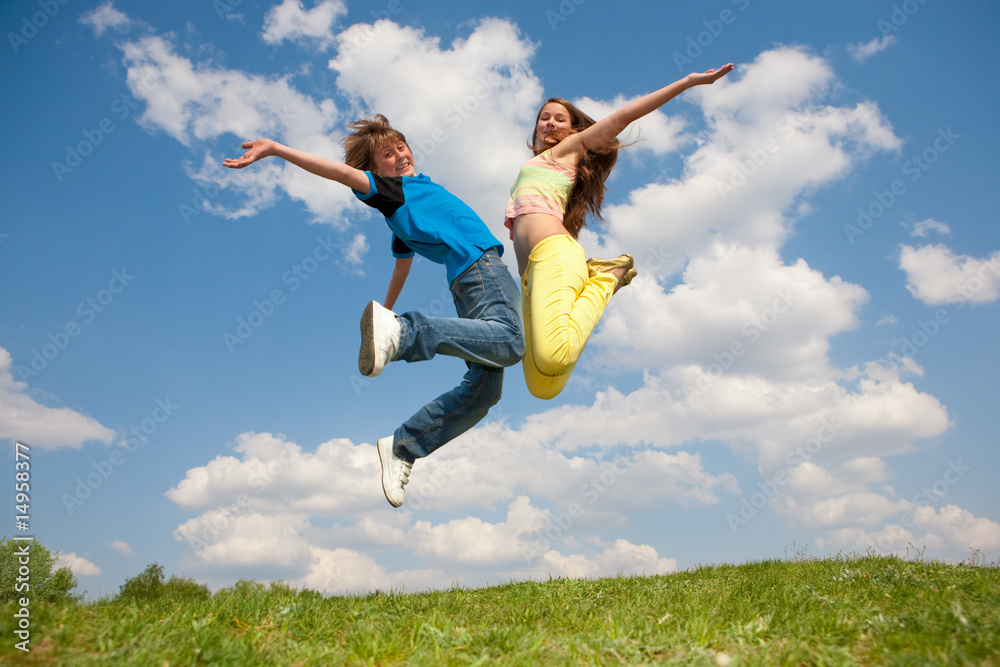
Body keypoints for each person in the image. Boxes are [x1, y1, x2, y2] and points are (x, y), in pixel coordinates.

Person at [224, 115, 524, 508]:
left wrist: (383, 316)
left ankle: (404, 445)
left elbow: (402, 268)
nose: (400, 155)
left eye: (401, 147)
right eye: (387, 154)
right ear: (375, 170)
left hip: (465, 285)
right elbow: (340, 173)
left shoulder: (406, 208)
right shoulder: (392, 191)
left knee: (483, 392)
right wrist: (277, 149)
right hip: (481, 271)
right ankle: (405, 334)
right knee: (511, 341)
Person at [507, 64, 734, 400]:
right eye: (544, 117)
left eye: (559, 118)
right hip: (529, 278)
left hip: (553, 255)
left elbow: (623, 117)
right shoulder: (535, 166)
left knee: (554, 357)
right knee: (542, 387)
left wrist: (688, 82)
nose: (550, 122)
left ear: (574, 130)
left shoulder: (566, 151)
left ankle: (606, 278)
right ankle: (597, 279)